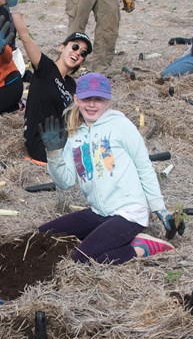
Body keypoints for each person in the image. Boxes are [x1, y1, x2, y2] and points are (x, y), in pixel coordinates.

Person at [38, 72, 183, 264]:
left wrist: (160, 209)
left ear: (107, 101)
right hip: (99, 212)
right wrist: (54, 155)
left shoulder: (121, 125)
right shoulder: (75, 135)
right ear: (76, 99)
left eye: (98, 99)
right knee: (42, 235)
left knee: (82, 259)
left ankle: (140, 247)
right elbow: (65, 182)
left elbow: (144, 167)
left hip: (129, 213)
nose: (91, 104)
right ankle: (106, 237)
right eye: (86, 98)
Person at [12, 12, 91, 164]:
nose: (77, 53)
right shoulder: (45, 68)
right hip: (43, 144)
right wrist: (14, 9)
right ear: (62, 47)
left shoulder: (71, 85)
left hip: (63, 139)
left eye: (83, 53)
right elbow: (25, 37)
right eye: (74, 46)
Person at [0, 0, 23, 115]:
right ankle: (14, 107)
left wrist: (2, 50)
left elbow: (8, 55)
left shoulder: (3, 14)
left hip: (9, 83)